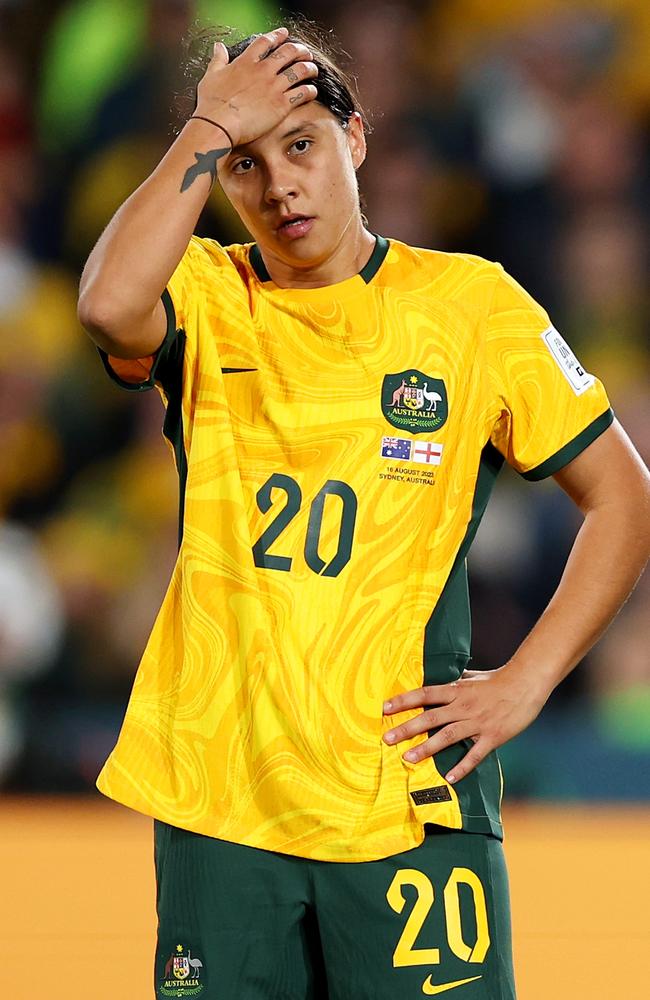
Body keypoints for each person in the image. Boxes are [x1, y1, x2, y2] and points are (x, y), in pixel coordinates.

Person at [78, 24, 650, 1000]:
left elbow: (622, 495)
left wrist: (525, 681)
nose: (279, 188)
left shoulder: (472, 306)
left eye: (300, 145)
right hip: (227, 794)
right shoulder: (210, 295)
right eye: (245, 166)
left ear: (356, 140)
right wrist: (210, 123)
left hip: (409, 792)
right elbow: (104, 304)